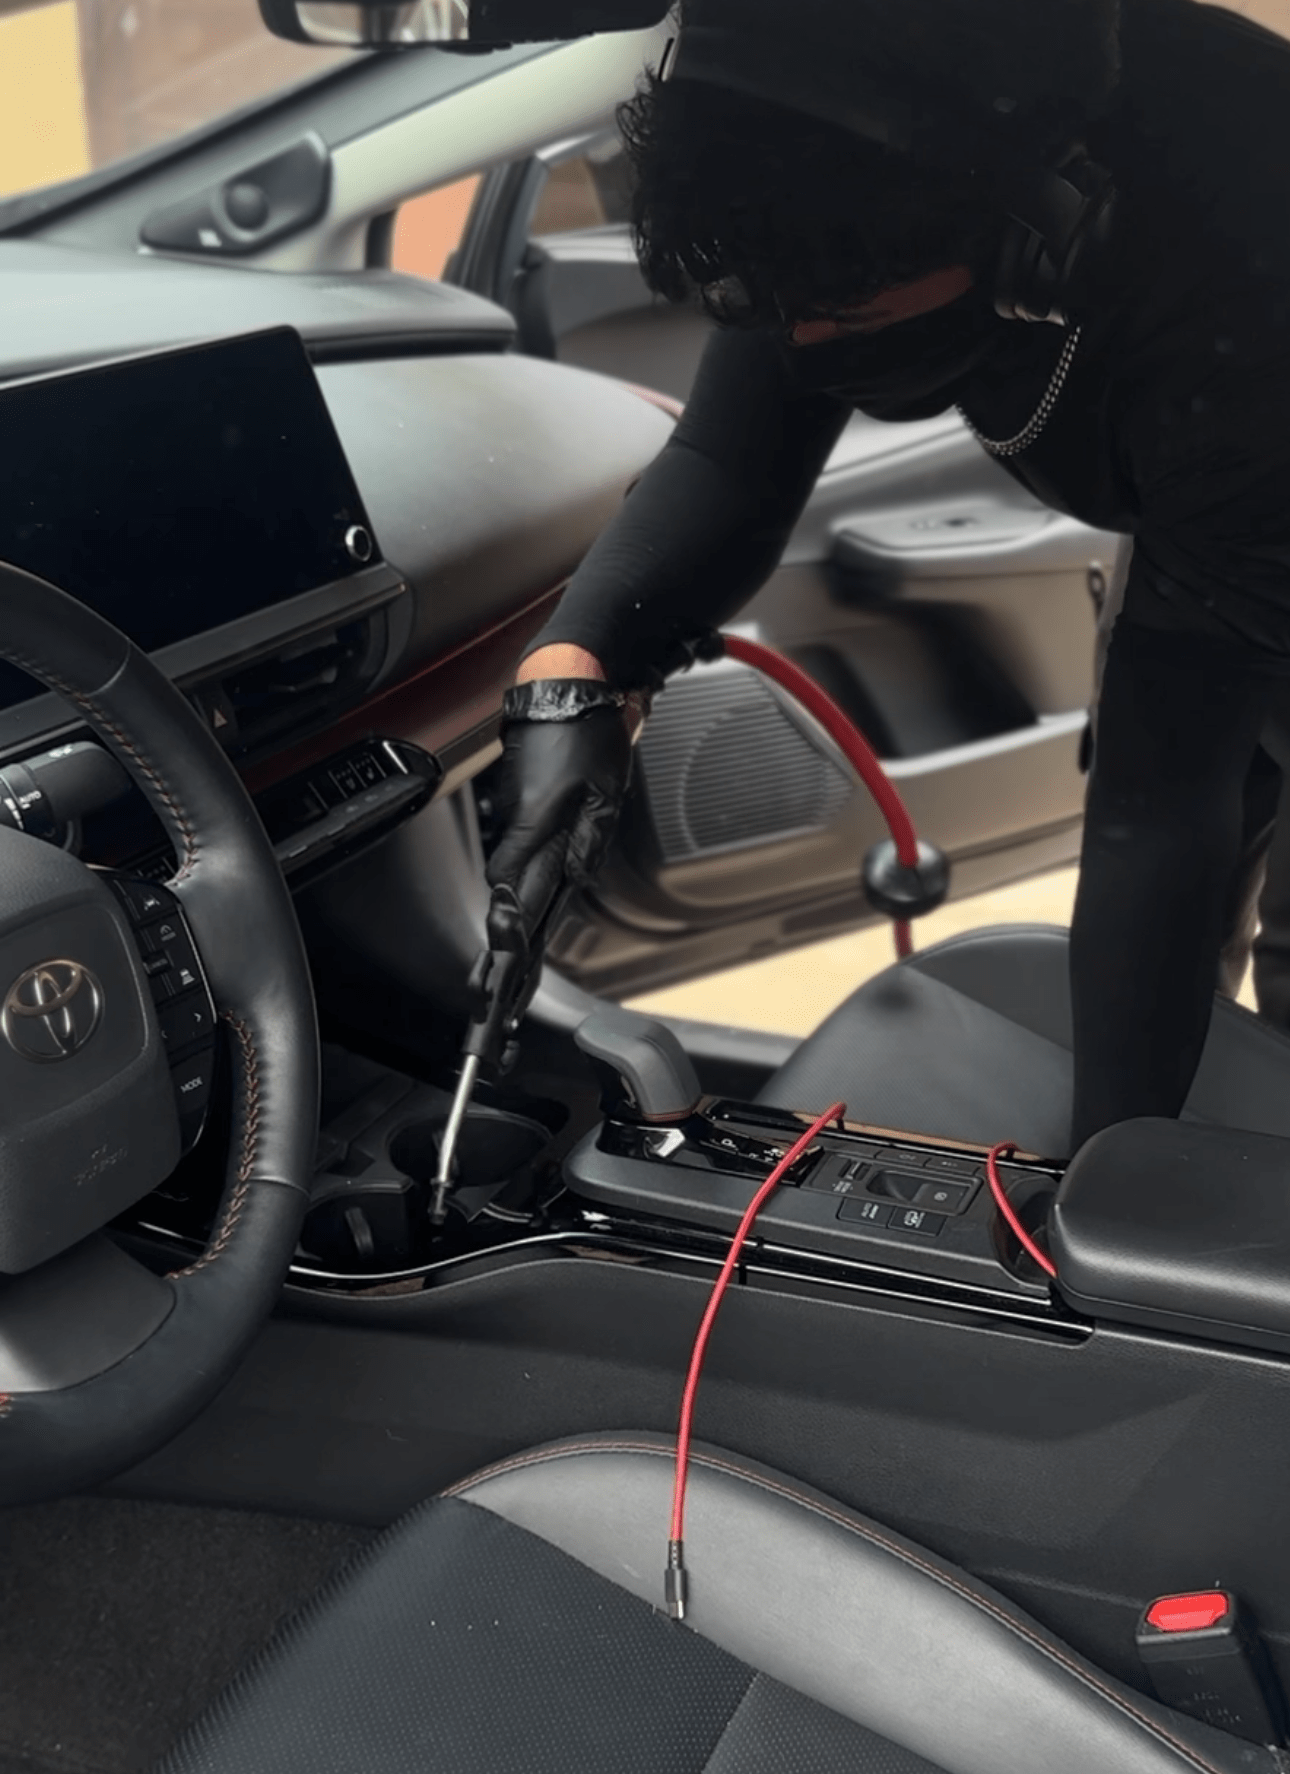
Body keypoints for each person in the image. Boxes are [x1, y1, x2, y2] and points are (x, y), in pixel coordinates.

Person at [489, 0, 1290, 1155]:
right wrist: (574, 676)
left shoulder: (1242, 254)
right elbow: (728, 462)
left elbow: (1155, 815)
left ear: (1035, 237)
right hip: (1198, 522)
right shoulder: (827, 164)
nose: (807, 351)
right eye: (766, 310)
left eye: (842, 312)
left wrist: (1103, 1188)